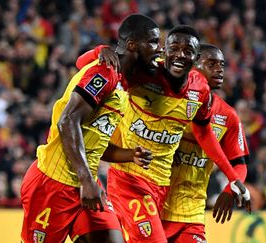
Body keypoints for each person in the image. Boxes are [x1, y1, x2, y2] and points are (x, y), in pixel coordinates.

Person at [76, 25, 250, 242]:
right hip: (130, 180)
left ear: (194, 58)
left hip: (162, 188)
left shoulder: (201, 91)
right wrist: (100, 51)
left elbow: (203, 130)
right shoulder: (142, 73)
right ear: (164, 50)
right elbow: (85, 66)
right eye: (174, 48)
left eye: (187, 51)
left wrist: (233, 179)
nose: (180, 55)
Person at [19, 14, 160, 243]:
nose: (159, 49)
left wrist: (128, 155)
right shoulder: (105, 72)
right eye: (153, 42)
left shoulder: (119, 81)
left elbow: (94, 142)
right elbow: (67, 122)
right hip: (53, 185)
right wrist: (86, 181)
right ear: (133, 45)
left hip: (86, 185)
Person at [161, 44, 250, 242]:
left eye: (222, 65)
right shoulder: (170, 100)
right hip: (155, 206)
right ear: (192, 66)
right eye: (211, 63)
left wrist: (230, 188)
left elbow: (240, 164)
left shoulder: (228, 116)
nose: (219, 69)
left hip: (191, 212)